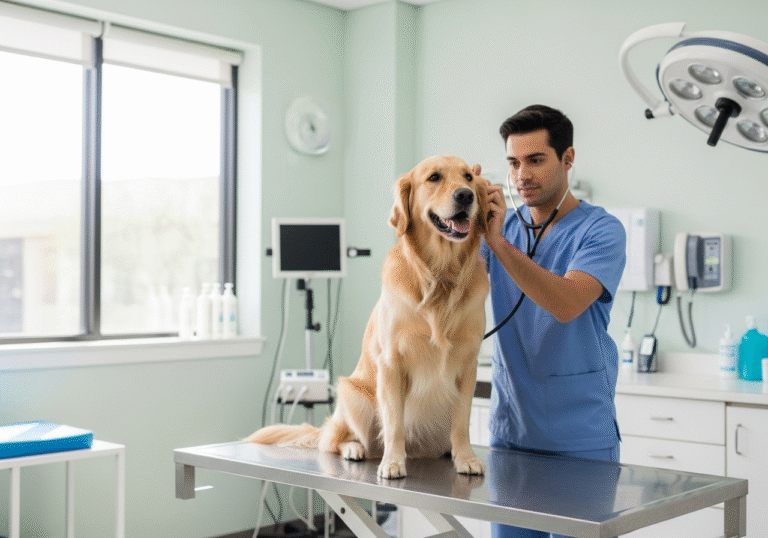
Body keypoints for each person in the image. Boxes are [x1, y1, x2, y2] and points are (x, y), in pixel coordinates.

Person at [479, 104, 626, 538]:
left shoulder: (601, 231)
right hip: (512, 435)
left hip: (579, 439)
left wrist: (499, 244)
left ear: (568, 158)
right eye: (513, 162)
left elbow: (565, 303)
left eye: (535, 160)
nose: (521, 174)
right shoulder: (500, 228)